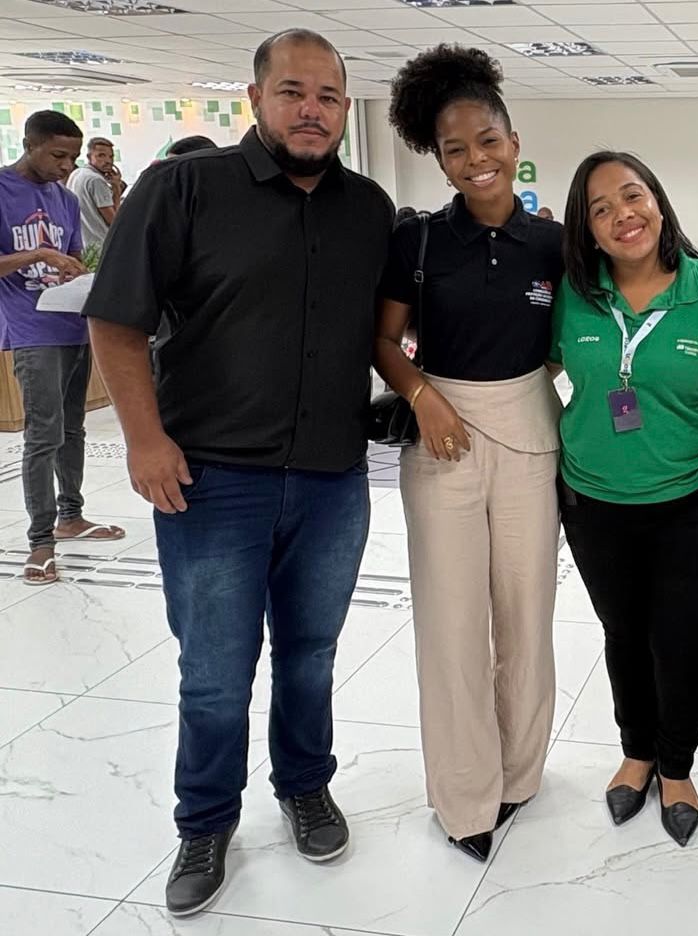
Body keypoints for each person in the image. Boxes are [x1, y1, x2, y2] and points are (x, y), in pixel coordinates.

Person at [83, 29, 393, 917]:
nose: (311, 110)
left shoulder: (369, 208)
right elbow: (116, 322)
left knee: (311, 655)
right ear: (254, 98)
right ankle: (207, 821)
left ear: (344, 108)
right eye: (293, 92)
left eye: (328, 96)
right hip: (213, 482)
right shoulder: (183, 189)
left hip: (332, 480)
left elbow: (384, 327)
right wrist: (144, 440)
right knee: (216, 672)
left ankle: (305, 785)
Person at [374, 44, 563, 864]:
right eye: (455, 149)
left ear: (514, 142)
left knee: (526, 615)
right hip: (440, 434)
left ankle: (518, 774)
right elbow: (384, 341)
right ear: (438, 158)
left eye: (488, 141)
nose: (475, 159)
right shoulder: (417, 241)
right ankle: (463, 797)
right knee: (452, 626)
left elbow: (577, 338)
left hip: (529, 431)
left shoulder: (554, 244)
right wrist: (422, 395)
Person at [551, 151, 698, 847]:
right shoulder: (572, 294)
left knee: (684, 641)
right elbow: (534, 366)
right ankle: (637, 751)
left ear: (658, 201)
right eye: (600, 209)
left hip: (694, 499)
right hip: (594, 500)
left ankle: (677, 764)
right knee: (623, 633)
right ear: (587, 230)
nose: (622, 215)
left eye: (632, 196)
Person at [0, 111, 125, 587]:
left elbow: (72, 255)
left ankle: (71, 516)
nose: (66, 166)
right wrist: (36, 254)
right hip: (31, 329)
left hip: (71, 324)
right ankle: (40, 542)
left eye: (72, 158)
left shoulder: (66, 198)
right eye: (58, 155)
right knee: (43, 435)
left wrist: (73, 269)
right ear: (29, 144)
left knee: (73, 430)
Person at [67, 136, 124, 250]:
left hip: (83, 246)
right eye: (101, 155)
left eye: (111, 156)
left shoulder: (76, 174)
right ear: (89, 157)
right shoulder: (96, 181)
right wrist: (116, 189)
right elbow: (114, 221)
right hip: (101, 246)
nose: (108, 161)